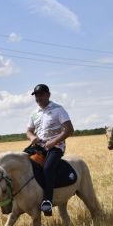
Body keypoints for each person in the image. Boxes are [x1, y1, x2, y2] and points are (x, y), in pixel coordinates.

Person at [26, 84, 74, 217]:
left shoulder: (58, 109)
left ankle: (47, 201)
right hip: (39, 147)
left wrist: (54, 142)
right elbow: (28, 131)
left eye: (41, 94)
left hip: (56, 147)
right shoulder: (34, 113)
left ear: (48, 94)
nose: (38, 97)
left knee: (47, 168)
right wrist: (32, 137)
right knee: (23, 161)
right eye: (36, 95)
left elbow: (69, 129)